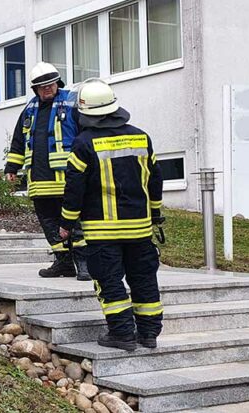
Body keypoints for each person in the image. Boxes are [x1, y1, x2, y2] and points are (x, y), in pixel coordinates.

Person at [58, 78, 165, 351]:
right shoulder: (142, 137)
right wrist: (155, 214)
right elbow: (155, 181)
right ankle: (149, 333)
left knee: (109, 281)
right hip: (140, 229)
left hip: (102, 230)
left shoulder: (83, 143)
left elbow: (74, 187)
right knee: (144, 279)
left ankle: (122, 334)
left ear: (85, 112)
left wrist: (67, 222)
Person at [4, 62, 90, 280]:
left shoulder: (72, 103)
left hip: (69, 179)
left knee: (75, 222)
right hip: (39, 181)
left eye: (50, 85)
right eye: (42, 86)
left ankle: (84, 263)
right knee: (49, 223)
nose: (47, 89)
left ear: (57, 83)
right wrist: (12, 167)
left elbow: (87, 135)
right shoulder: (30, 109)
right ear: (35, 89)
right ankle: (63, 262)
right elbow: (18, 141)